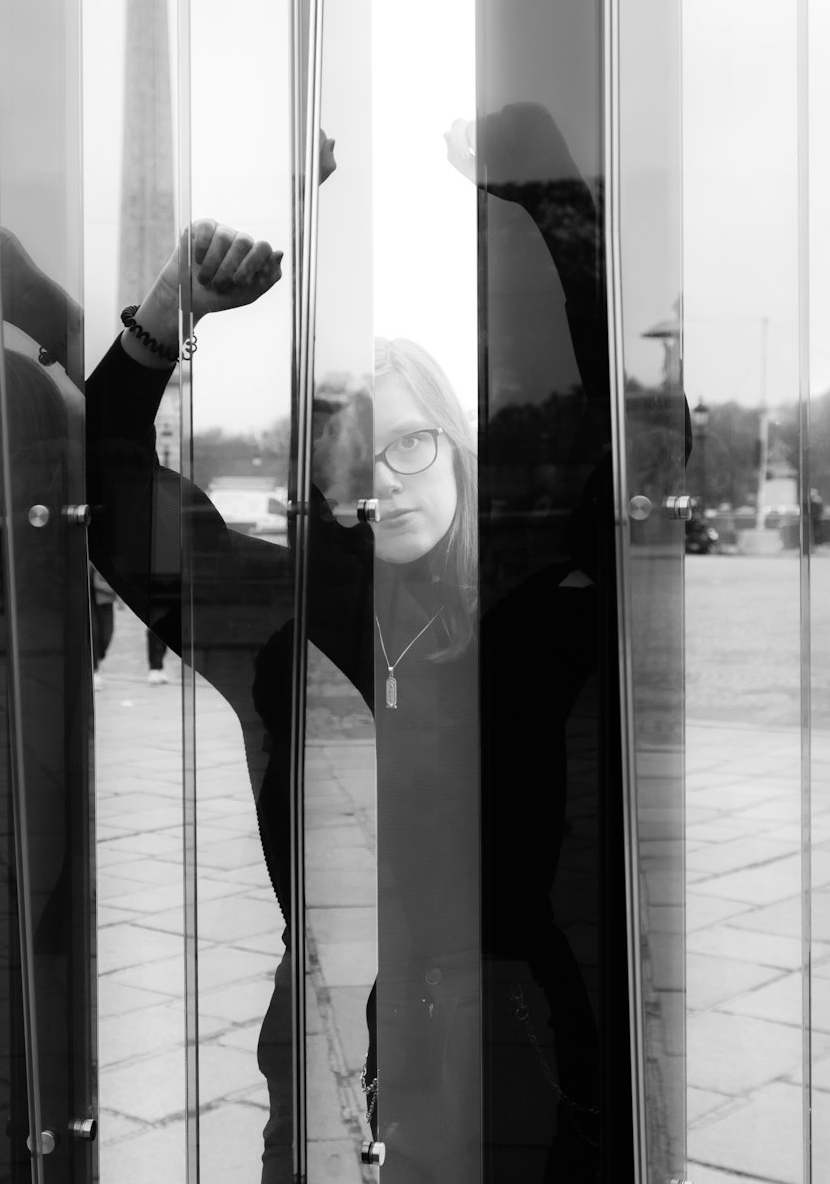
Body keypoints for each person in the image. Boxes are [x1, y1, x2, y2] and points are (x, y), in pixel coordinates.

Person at [86, 106, 609, 1182]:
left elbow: (625, 428)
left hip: (538, 1027)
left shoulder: (546, 605)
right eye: (357, 451)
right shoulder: (288, 620)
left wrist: (554, 203)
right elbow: (110, 485)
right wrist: (167, 314)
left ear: (459, 449)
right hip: (340, 1031)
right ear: (322, 480)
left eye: (414, 439)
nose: (391, 472)